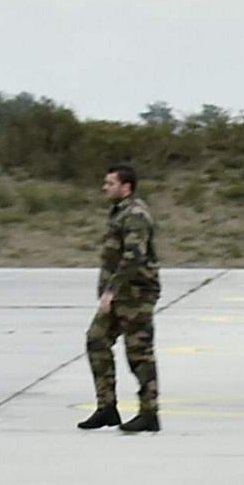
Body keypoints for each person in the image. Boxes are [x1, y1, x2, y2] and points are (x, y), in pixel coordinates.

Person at [81, 162, 162, 433]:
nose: (105, 188)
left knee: (139, 353)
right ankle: (107, 407)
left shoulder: (136, 214)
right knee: (96, 340)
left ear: (126, 187)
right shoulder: (119, 213)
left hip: (136, 294)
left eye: (110, 183)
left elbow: (134, 256)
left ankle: (149, 413)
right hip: (119, 294)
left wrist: (112, 290)